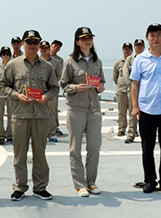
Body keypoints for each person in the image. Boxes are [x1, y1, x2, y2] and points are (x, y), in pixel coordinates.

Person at [0, 30, 59, 202]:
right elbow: (3, 85)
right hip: (20, 115)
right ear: (23, 44)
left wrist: (46, 97)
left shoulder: (47, 66)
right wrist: (17, 95)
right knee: (20, 154)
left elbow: (54, 88)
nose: (32, 45)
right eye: (29, 42)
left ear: (39, 44)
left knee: (40, 154)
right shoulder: (13, 65)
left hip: (40, 115)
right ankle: (20, 187)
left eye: (35, 42)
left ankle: (40, 188)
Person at [131, 23, 161, 194]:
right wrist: (135, 106)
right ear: (147, 38)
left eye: (159, 34)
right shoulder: (140, 59)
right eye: (152, 35)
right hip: (147, 109)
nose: (155, 38)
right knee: (147, 147)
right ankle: (150, 180)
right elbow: (135, 84)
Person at [60, 27, 105, 197]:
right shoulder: (69, 61)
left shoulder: (97, 61)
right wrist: (75, 87)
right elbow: (63, 85)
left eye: (90, 38)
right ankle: (79, 184)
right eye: (84, 38)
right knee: (75, 149)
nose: (88, 41)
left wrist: (100, 88)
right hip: (76, 109)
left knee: (94, 147)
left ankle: (91, 182)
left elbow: (102, 82)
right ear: (77, 41)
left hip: (94, 109)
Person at [123, 39, 145, 143]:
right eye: (137, 45)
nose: (139, 47)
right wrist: (131, 86)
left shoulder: (147, 58)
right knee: (133, 113)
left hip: (145, 91)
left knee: (146, 114)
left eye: (141, 45)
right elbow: (126, 73)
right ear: (134, 47)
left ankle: (146, 135)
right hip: (133, 90)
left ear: (144, 47)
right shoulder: (129, 59)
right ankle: (131, 134)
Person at [40, 40, 62, 142]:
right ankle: (40, 132)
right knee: (39, 111)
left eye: (46, 48)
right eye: (42, 48)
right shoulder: (36, 60)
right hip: (39, 91)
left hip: (51, 90)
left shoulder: (55, 62)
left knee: (52, 112)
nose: (44, 50)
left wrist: (51, 84)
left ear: (49, 49)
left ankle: (52, 133)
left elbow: (59, 75)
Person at [113, 42, 133, 136]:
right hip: (121, 90)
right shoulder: (118, 63)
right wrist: (120, 84)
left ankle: (133, 130)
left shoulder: (135, 61)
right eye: (125, 49)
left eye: (128, 49)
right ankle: (122, 129)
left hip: (132, 90)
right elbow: (115, 76)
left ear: (132, 50)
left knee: (133, 112)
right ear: (122, 50)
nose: (127, 51)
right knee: (122, 111)